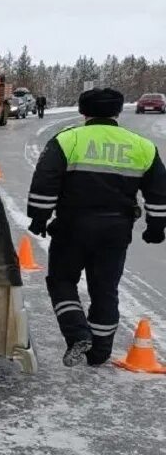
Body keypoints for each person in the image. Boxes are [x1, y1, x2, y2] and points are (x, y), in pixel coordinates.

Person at [27, 88, 166, 367]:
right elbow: (159, 192)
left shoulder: (68, 140)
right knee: (105, 289)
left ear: (83, 111)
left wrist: (40, 217)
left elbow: (46, 180)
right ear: (117, 112)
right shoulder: (142, 146)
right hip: (116, 229)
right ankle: (99, 352)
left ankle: (78, 333)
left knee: (62, 281)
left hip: (72, 227)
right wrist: (156, 226)